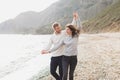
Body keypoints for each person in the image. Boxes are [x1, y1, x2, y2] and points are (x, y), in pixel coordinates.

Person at [43, 12, 82, 80]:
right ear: (54, 29)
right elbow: (56, 46)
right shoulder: (60, 37)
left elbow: (75, 26)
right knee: (61, 74)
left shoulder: (74, 35)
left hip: (69, 57)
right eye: (57, 28)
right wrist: (47, 51)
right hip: (62, 57)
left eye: (59, 27)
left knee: (69, 74)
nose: (65, 30)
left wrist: (76, 18)